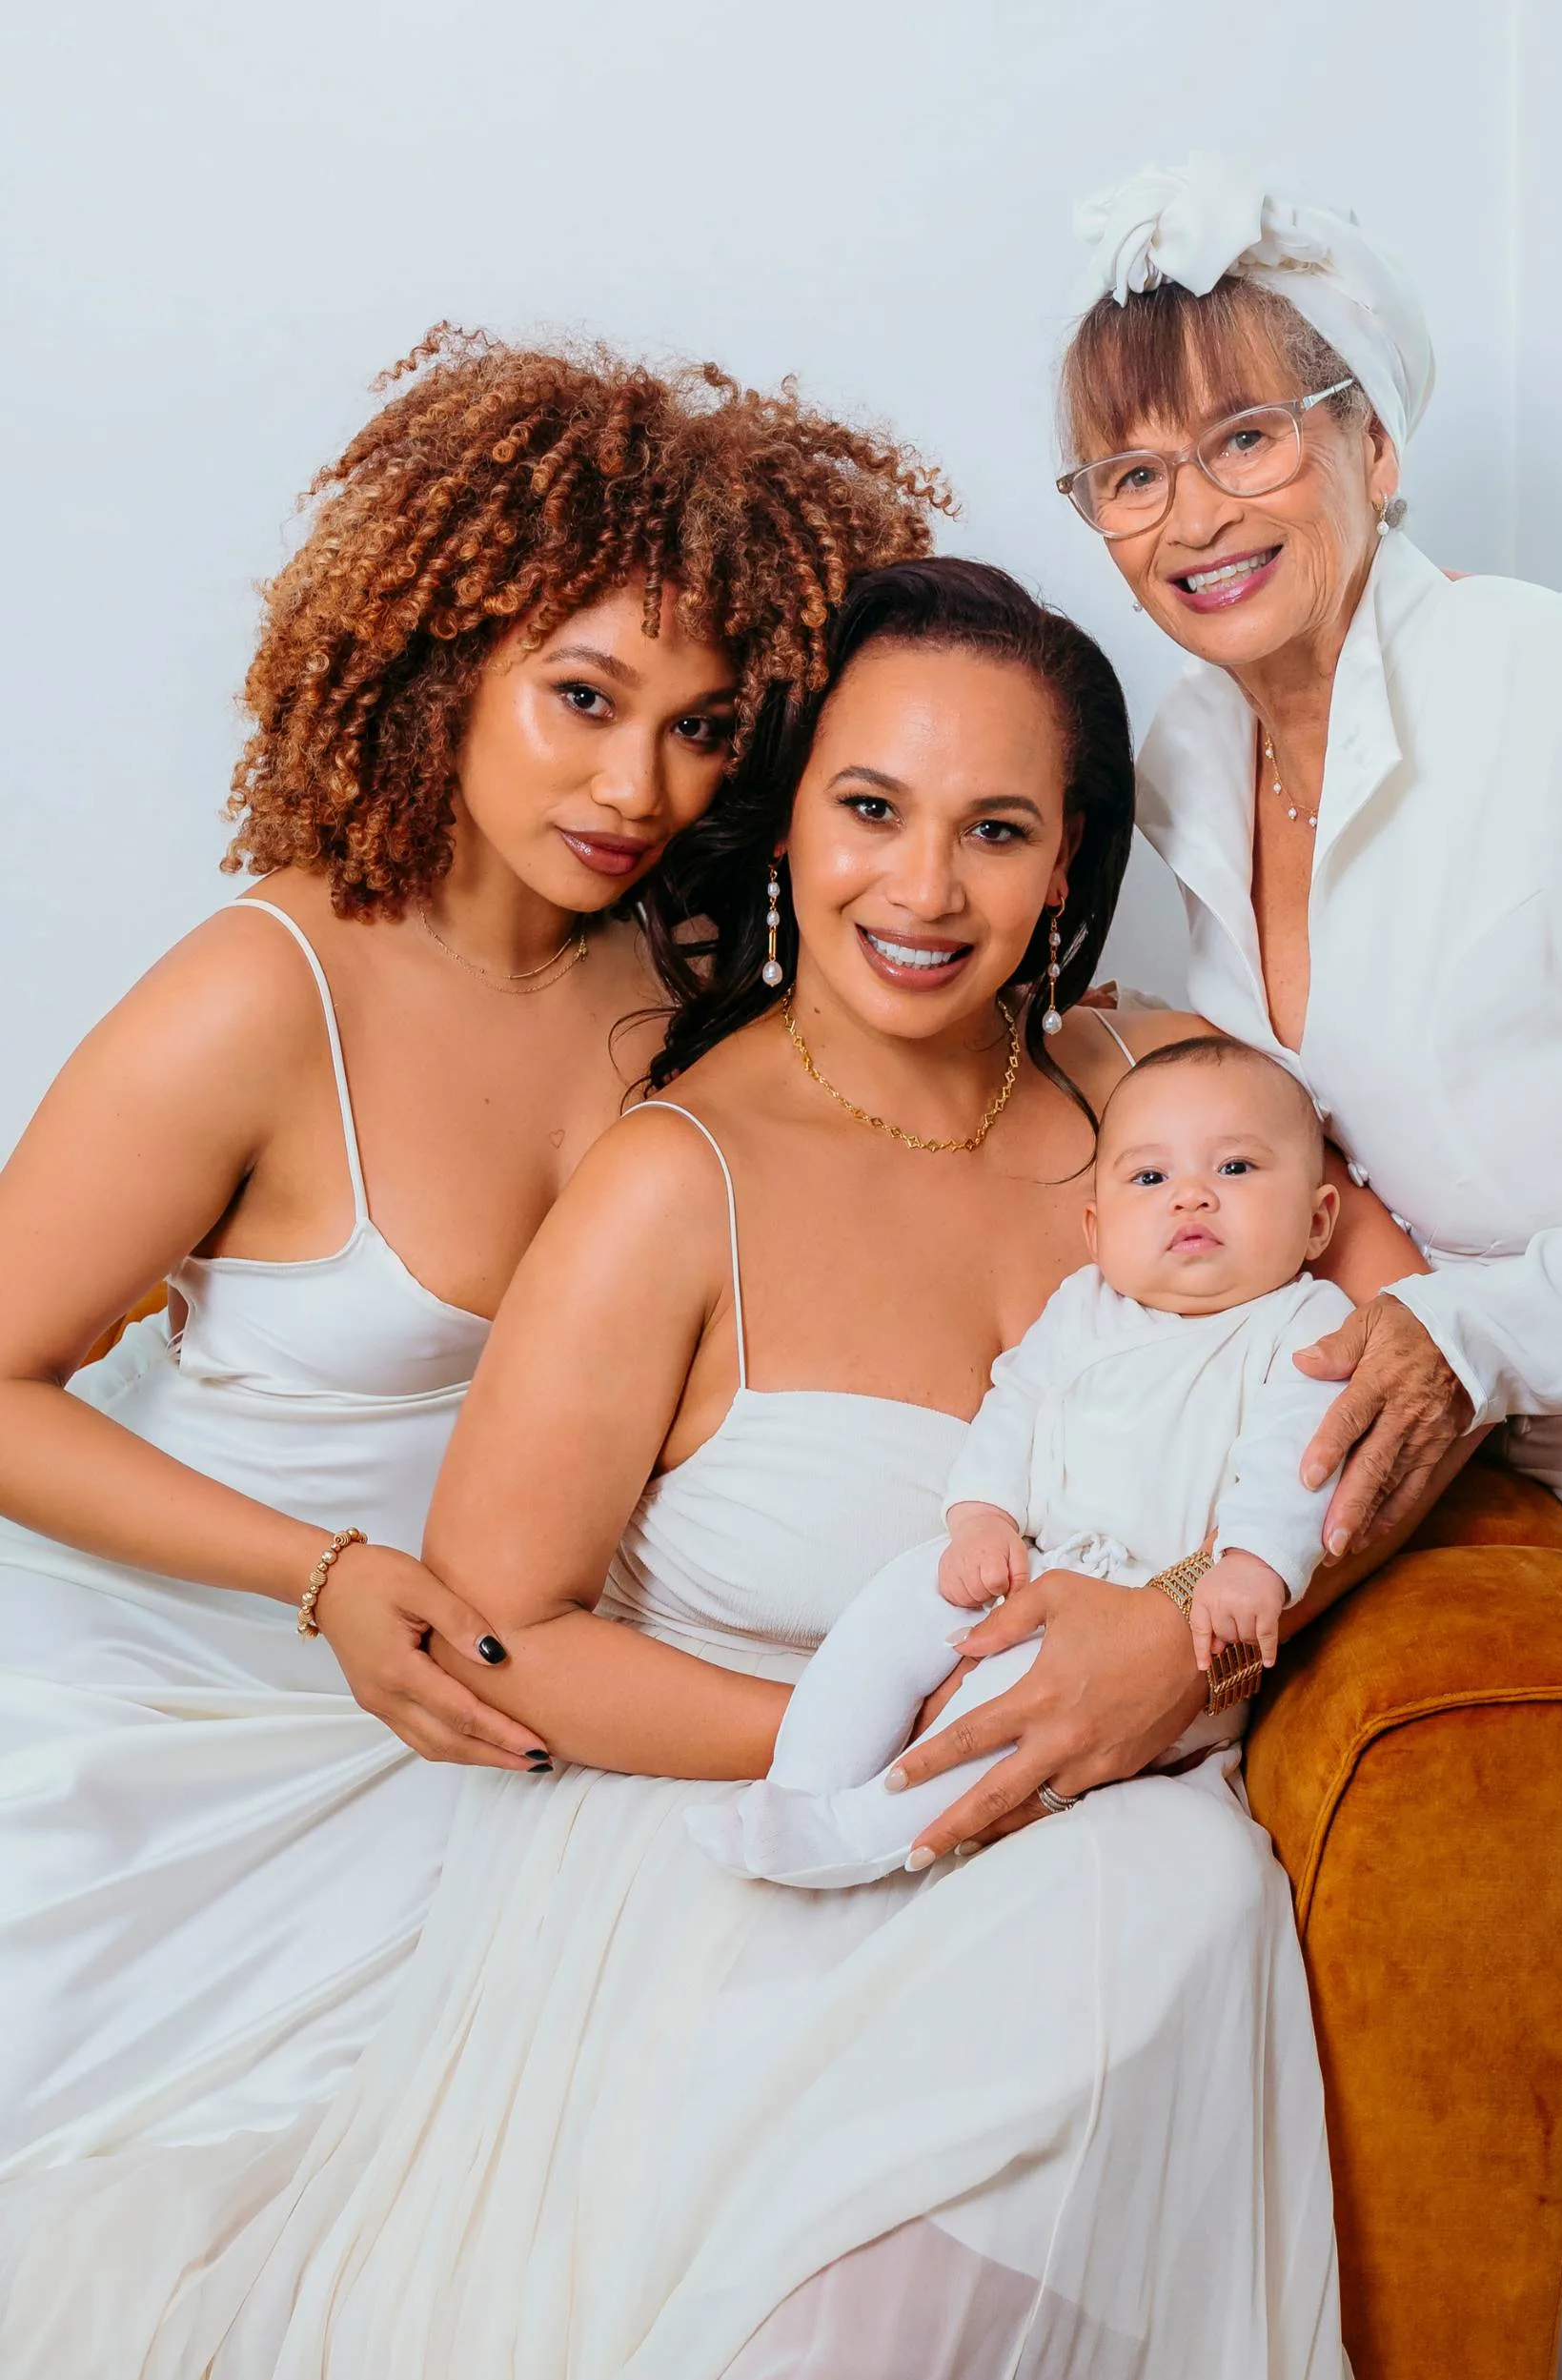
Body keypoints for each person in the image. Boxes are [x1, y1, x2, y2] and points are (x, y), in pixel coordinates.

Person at [0, 558, 1430, 2377]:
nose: (923, 888)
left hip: (1074, 1838)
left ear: (1071, 861)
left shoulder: (1167, 1096)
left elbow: (1430, 1375)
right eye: (868, 809)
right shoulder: (671, 1174)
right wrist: (897, 1735)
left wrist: (1190, 1639)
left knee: (1165, 1902)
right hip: (708, 1821)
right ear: (791, 826)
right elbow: (499, 1626)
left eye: (996, 830)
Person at [0, 325, 944, 2181]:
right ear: (449, 661)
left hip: (508, 1721)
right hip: (187, 1731)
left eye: (696, 731)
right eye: (581, 698)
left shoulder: (675, 989)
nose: (637, 787)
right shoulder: (263, 996)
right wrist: (324, 1576)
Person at [1057, 153, 1562, 2380]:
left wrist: (1467, 1320)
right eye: (1125, 464)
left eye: (1238, 432)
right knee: (1505, 2074)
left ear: (1370, 442)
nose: (1182, 502)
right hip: (1497, 1471)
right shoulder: (1194, 751)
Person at [695, 1032, 1352, 1888]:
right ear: (1096, 1226)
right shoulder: (1086, 1307)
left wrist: (1253, 1562)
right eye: (1150, 1178)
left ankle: (861, 1833)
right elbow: (1015, 1403)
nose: (1191, 1196)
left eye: (1236, 1169)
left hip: (1156, 1618)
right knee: (906, 1595)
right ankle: (802, 1783)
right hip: (1040, 1565)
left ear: (1317, 1218)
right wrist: (983, 1516)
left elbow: (1297, 1459)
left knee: (1012, 1698)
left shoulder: (1304, 1323)